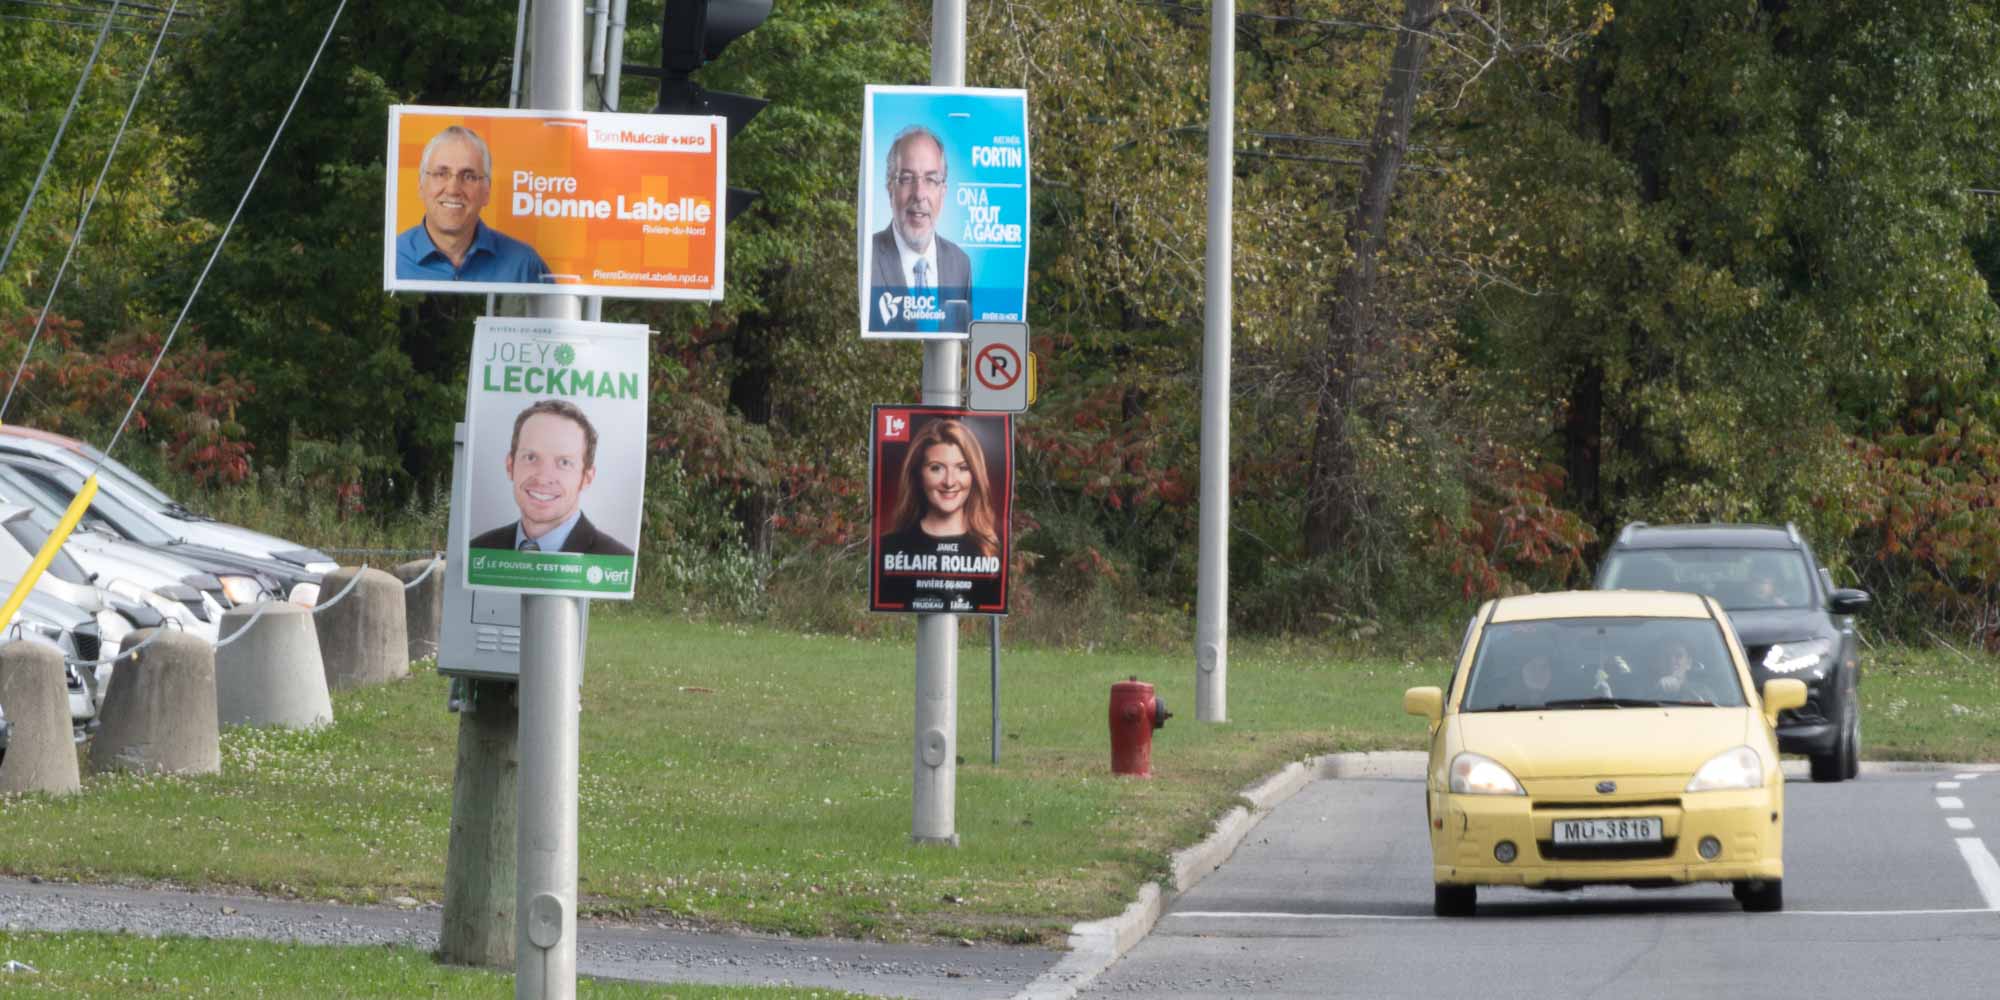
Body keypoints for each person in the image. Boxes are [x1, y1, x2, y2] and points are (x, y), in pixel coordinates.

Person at [469, 399, 631, 555]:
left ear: (586, 478)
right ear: (510, 465)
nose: (543, 478)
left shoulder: (618, 562)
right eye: (531, 457)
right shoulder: (478, 550)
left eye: (564, 462)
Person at [395, 125, 551, 283]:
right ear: (421, 186)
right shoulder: (393, 259)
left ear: (486, 192)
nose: (453, 189)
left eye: (469, 176)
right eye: (441, 174)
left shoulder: (523, 265)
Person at [869, 125, 971, 332]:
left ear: (943, 192)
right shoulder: (866, 257)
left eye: (931, 180)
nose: (919, 194)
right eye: (906, 179)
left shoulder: (960, 264)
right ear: (890, 188)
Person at [879, 418, 1000, 564]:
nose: (949, 482)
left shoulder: (992, 550)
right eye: (936, 468)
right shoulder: (888, 547)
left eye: (962, 468)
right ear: (917, 473)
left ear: (974, 475)